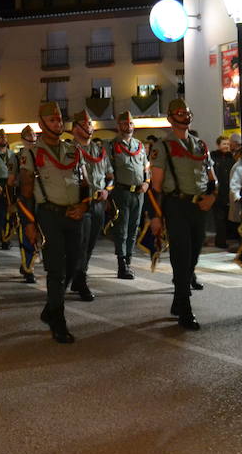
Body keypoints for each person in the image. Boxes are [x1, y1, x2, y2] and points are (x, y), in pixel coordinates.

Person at [19, 102, 88, 343]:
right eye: (52, 120)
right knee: (56, 269)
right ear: (41, 123)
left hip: (74, 215)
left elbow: (85, 185)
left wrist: (83, 206)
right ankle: (58, 319)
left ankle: (50, 308)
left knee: (74, 264)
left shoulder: (74, 150)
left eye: (59, 119)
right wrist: (28, 223)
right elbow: (26, 192)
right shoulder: (30, 154)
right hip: (49, 215)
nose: (57, 123)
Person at [148, 99, 217, 331]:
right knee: (181, 254)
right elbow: (155, 185)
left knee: (195, 253)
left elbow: (212, 178)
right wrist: (155, 217)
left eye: (187, 112)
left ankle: (178, 299)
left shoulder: (201, 146)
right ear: (170, 118)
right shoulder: (163, 147)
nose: (184, 116)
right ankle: (184, 306)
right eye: (179, 113)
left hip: (198, 206)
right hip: (176, 204)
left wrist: (212, 196)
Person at [70, 109, 112, 301]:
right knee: (79, 244)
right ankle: (79, 279)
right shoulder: (69, 150)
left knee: (90, 244)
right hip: (79, 203)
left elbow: (110, 177)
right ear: (74, 128)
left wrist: (107, 191)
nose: (89, 127)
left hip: (98, 203)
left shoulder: (99, 150)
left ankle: (79, 276)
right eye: (85, 124)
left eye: (90, 124)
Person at [108, 111, 148, 279]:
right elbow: (108, 172)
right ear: (118, 126)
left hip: (138, 193)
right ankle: (121, 264)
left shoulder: (139, 146)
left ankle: (129, 261)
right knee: (121, 229)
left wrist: (146, 182)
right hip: (121, 192)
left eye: (130, 123)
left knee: (133, 228)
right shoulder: (111, 146)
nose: (128, 126)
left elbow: (147, 168)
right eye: (124, 123)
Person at [12, 125, 39, 284]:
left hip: (40, 198)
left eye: (34, 133)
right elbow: (11, 180)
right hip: (25, 199)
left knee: (39, 234)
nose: (32, 136)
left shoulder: (42, 153)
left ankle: (27, 264)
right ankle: (28, 269)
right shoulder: (17, 157)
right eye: (28, 134)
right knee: (27, 234)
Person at [0, 129, 15, 250]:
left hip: (10, 185)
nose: (3, 139)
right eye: (1, 137)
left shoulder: (12, 154)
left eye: (5, 137)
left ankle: (8, 236)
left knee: (11, 212)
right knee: (0, 213)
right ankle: (3, 238)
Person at [211, 135, 235, 249]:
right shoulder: (213, 157)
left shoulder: (232, 158)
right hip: (217, 193)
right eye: (224, 144)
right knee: (219, 217)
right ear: (218, 145)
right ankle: (220, 241)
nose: (226, 146)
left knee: (225, 217)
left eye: (228, 144)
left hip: (228, 192)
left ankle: (223, 238)